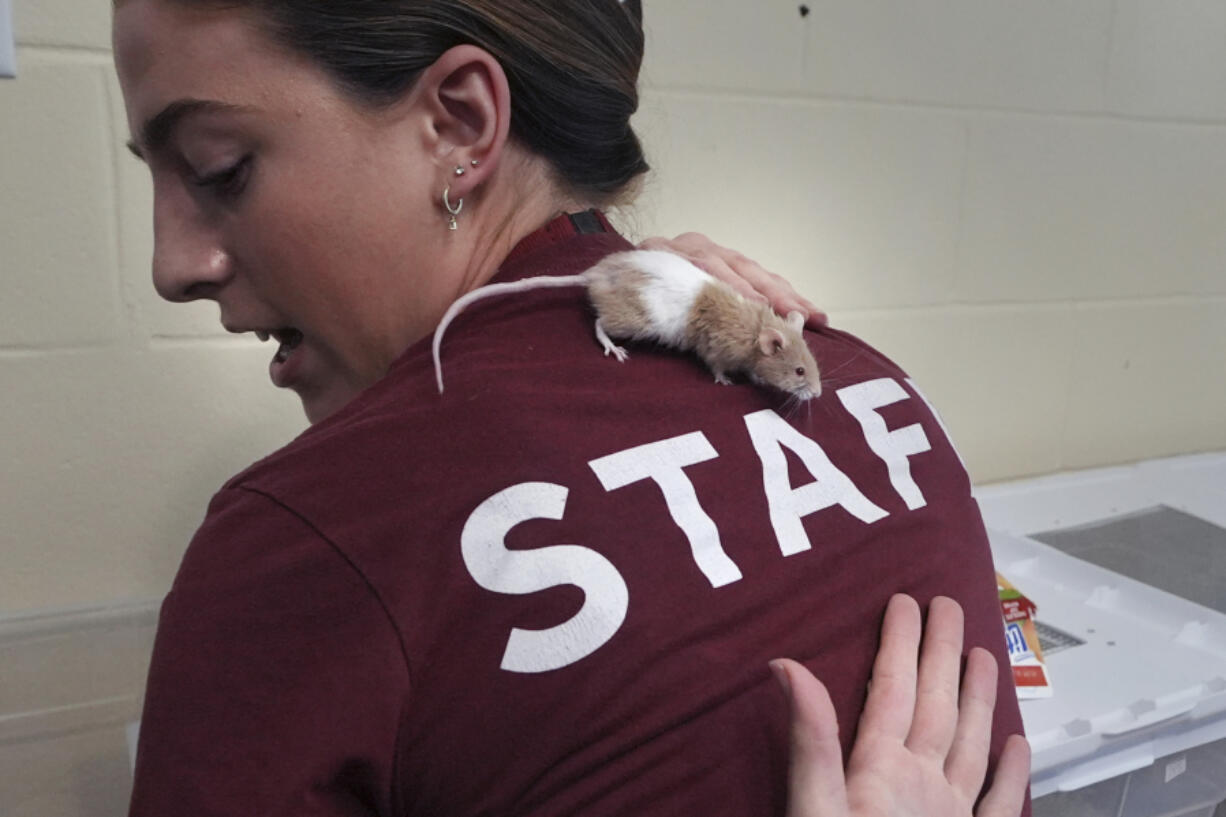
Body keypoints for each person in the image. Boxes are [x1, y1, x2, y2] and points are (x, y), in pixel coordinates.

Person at [113, 0, 1030, 814]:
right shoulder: (881, 392)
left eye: (218, 168)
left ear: (459, 122)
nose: (172, 266)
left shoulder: (301, 542)